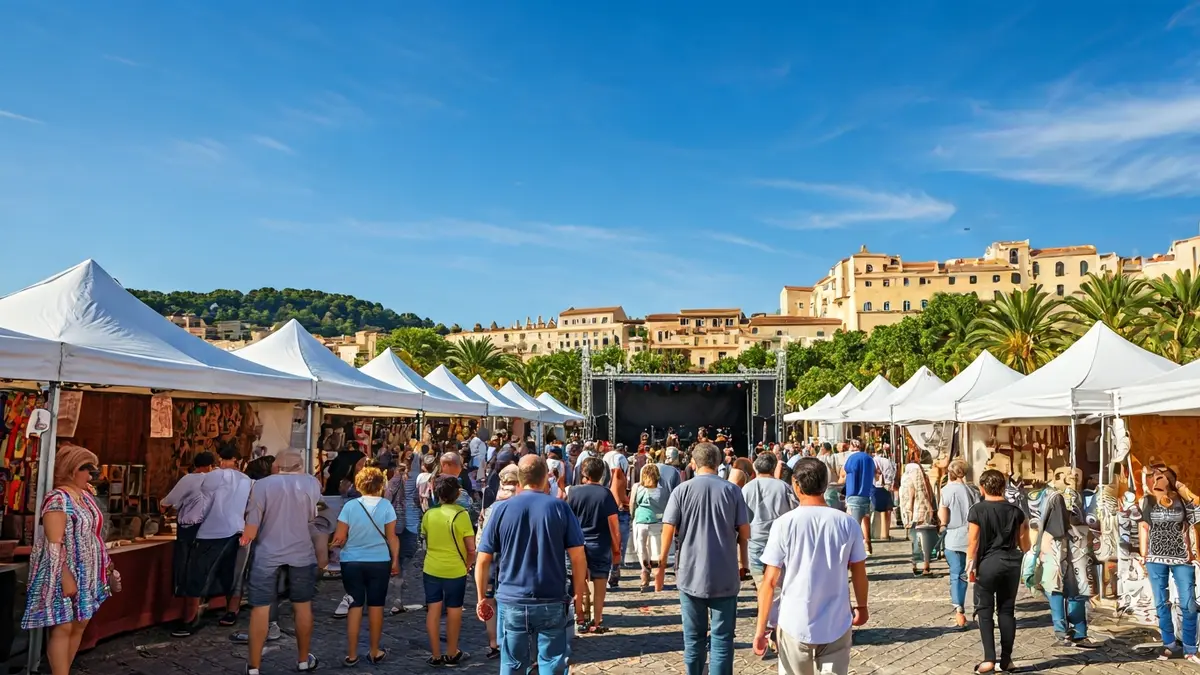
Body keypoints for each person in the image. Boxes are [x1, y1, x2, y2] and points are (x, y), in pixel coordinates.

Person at [752, 457, 868, 675]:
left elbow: (769, 582)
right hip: (836, 619)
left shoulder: (783, 524)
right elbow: (859, 571)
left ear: (796, 485)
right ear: (825, 484)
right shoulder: (847, 523)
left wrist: (761, 629)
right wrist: (862, 606)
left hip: (794, 619)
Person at [476, 455, 588, 674]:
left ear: (519, 478)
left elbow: (483, 559)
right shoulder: (559, 508)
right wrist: (578, 594)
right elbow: (578, 557)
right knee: (552, 663)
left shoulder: (500, 509)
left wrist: (482, 597)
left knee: (512, 663)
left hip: (512, 599)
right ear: (545, 477)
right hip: (551, 597)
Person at [655, 442, 750, 675]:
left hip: (690, 573)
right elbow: (745, 533)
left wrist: (660, 567)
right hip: (725, 574)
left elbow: (668, 529)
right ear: (718, 463)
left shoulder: (681, 490)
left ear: (693, 464)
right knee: (722, 639)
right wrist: (743, 562)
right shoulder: (732, 491)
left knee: (693, 638)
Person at [23, 445, 119, 675]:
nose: (91, 475)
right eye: (87, 468)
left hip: (87, 570)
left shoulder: (84, 496)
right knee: (63, 626)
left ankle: (64, 670)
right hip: (63, 568)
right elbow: (54, 542)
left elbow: (94, 534)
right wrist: (65, 575)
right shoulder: (58, 498)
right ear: (72, 469)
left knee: (80, 622)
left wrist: (106, 565)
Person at [241, 450, 323, 675]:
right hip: (301, 552)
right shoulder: (312, 483)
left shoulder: (262, 485)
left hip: (267, 553)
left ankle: (254, 667)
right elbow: (314, 518)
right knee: (303, 605)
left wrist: (244, 540)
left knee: (260, 608)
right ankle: (303, 660)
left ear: (276, 466)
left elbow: (251, 528)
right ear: (299, 465)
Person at [175, 444, 252, 637]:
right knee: (233, 574)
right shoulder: (247, 480)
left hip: (211, 531)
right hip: (238, 529)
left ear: (219, 459)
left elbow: (194, 501)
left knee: (196, 574)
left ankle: (190, 619)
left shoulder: (210, 477)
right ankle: (231, 612)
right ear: (237, 460)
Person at [332, 466, 398, 666]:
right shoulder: (386, 506)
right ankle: (374, 651)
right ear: (380, 485)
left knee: (354, 605)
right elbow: (392, 537)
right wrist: (395, 560)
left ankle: (352, 654)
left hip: (352, 561)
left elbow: (340, 537)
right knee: (376, 606)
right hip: (379, 560)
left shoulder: (350, 506)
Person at [966, 469, 1030, 674]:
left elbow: (973, 542)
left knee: (984, 611)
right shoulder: (1016, 511)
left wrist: (970, 566)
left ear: (982, 488)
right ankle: (1007, 660)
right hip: (1011, 564)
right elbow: (1025, 544)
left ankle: (989, 660)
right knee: (1007, 611)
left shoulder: (977, 510)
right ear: (1003, 487)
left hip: (987, 564)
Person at [1139, 465, 1200, 663]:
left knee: (1188, 603)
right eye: (1153, 477)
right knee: (1161, 603)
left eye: (1160, 477)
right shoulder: (1147, 500)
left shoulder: (1181, 500)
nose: (1155, 480)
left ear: (1170, 480)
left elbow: (1197, 512)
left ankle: (1190, 648)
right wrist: (1143, 554)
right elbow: (1144, 526)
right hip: (1155, 559)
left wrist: (1182, 489)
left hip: (1181, 558)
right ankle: (1169, 644)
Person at [1039, 468, 1099, 648]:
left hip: (1071, 548)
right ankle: (1069, 633)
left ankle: (1073, 633)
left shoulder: (1077, 497)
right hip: (1062, 547)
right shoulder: (1055, 497)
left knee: (1071, 591)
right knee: (1061, 591)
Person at [422, 475, 476, 666]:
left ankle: (436, 654)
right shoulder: (462, 515)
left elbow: (426, 538)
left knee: (433, 610)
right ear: (457, 494)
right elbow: (471, 549)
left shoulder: (429, 514)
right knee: (454, 610)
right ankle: (452, 652)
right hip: (455, 569)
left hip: (431, 568)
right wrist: (467, 565)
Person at [567, 456, 621, 632]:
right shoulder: (606, 494)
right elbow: (614, 525)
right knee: (600, 583)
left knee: (578, 582)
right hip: (600, 544)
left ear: (584, 473)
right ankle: (597, 620)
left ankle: (580, 617)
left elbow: (566, 521)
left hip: (577, 545)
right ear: (602, 474)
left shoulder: (573, 492)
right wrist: (616, 550)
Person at [479, 464, 520, 660]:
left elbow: (481, 539)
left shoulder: (491, 507)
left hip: (491, 560)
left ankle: (493, 642)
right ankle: (511, 640)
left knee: (489, 600)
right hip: (512, 560)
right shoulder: (521, 505)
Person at [161, 452, 214, 600]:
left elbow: (171, 499)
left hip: (189, 527)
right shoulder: (214, 480)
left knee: (184, 560)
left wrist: (163, 505)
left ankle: (182, 593)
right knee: (200, 562)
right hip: (208, 526)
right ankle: (197, 597)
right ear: (209, 466)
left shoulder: (189, 479)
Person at [742, 453, 798, 588]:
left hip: (755, 542)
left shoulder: (747, 488)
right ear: (773, 468)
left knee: (761, 585)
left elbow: (742, 519)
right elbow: (794, 512)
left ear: (756, 468)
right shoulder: (783, 487)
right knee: (778, 585)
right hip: (779, 543)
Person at [938, 459, 975, 630]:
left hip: (954, 536)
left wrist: (942, 525)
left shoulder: (947, 490)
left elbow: (944, 515)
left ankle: (960, 611)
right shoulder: (973, 490)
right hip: (973, 535)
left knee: (957, 574)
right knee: (976, 573)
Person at [631, 463, 670, 591]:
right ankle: (658, 578)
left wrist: (632, 516)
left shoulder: (637, 487)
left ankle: (645, 571)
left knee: (641, 548)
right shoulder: (663, 490)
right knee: (657, 550)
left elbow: (632, 504)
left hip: (641, 520)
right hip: (658, 520)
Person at [899, 451, 938, 577]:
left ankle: (917, 565)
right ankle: (925, 566)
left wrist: (907, 514)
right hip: (921, 511)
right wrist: (930, 508)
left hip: (914, 513)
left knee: (916, 540)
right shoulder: (919, 474)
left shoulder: (907, 476)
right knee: (923, 540)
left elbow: (907, 496)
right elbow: (923, 493)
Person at [840, 441, 877, 556]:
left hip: (854, 493)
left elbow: (844, 472)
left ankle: (855, 552)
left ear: (854, 447)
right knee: (865, 520)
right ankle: (868, 543)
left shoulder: (852, 458)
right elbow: (875, 472)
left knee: (853, 526)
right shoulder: (870, 459)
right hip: (866, 493)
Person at [604, 443, 632, 589]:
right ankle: (614, 571)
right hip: (619, 505)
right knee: (619, 541)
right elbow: (620, 484)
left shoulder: (606, 457)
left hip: (606, 501)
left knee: (609, 541)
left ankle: (610, 572)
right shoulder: (620, 462)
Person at [872, 443, 897, 539]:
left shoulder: (873, 460)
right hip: (887, 487)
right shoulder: (888, 461)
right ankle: (885, 533)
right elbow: (892, 474)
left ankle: (877, 533)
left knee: (877, 512)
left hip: (876, 487)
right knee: (887, 511)